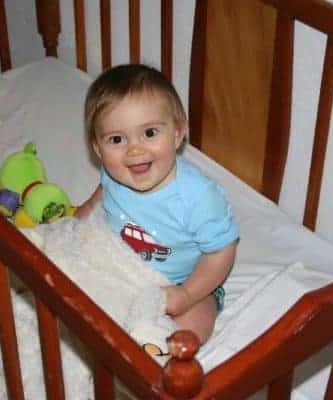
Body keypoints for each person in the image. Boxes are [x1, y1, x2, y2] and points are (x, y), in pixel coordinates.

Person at [76, 64, 239, 343]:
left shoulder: (198, 197)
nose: (135, 150)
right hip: (121, 267)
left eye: (150, 133)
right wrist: (80, 217)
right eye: (117, 139)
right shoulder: (114, 174)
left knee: (195, 315)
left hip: (182, 280)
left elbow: (221, 251)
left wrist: (187, 294)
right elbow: (102, 193)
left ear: (178, 132)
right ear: (98, 149)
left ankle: (162, 357)